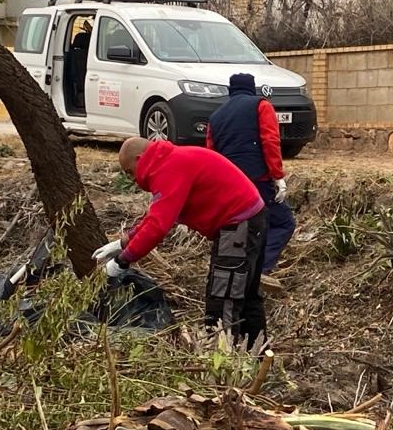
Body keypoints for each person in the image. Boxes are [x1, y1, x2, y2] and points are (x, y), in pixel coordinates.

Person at [94, 137, 268, 348]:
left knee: (223, 302)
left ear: (140, 159)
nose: (131, 179)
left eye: (130, 171)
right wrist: (121, 243)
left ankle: (224, 367)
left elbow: (158, 226)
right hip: (249, 220)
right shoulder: (170, 161)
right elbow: (154, 217)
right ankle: (258, 361)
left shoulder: (167, 169)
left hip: (238, 225)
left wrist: (122, 261)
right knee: (246, 296)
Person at [205, 73, 293, 274]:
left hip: (229, 185)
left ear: (230, 90)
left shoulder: (216, 116)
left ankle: (232, 272)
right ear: (252, 88)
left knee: (237, 230)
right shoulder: (261, 106)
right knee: (282, 223)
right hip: (258, 181)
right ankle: (259, 271)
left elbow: (210, 154)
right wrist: (277, 175)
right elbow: (270, 141)